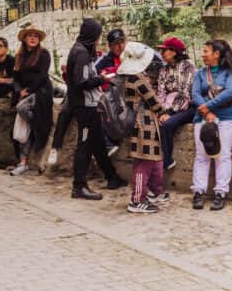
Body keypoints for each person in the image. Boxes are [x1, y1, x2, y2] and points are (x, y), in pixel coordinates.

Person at [66, 18, 124, 201]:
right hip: (84, 107)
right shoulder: (82, 53)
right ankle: (79, 186)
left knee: (98, 143)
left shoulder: (80, 49)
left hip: (89, 105)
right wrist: (102, 79)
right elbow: (82, 82)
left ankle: (111, 176)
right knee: (84, 145)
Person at [190, 39, 232, 211]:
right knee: (201, 154)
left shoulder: (231, 72)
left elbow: (231, 92)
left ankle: (220, 192)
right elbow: (195, 93)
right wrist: (206, 112)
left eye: (206, 51)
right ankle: (198, 191)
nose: (203, 54)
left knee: (223, 154)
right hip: (203, 116)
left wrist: (209, 106)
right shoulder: (199, 74)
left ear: (216, 54)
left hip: (227, 116)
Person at [119, 42, 168, 214]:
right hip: (144, 124)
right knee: (143, 162)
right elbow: (154, 101)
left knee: (144, 161)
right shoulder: (137, 78)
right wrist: (163, 111)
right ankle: (137, 199)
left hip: (135, 122)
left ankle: (143, 195)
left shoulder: (125, 77)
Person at [10, 27, 53, 176]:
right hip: (25, 93)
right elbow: (15, 78)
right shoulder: (19, 56)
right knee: (25, 125)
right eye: (30, 36)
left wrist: (28, 91)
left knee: (21, 108)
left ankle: (36, 124)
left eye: (36, 36)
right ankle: (23, 163)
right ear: (24, 39)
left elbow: (42, 76)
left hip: (41, 92)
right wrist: (19, 90)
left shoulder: (44, 54)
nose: (33, 38)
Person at [154, 37, 196, 171]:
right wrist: (161, 112)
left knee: (167, 124)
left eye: (164, 50)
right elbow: (160, 92)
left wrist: (170, 113)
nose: (161, 53)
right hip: (167, 107)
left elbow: (185, 93)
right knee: (156, 123)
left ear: (173, 52)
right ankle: (159, 161)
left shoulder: (188, 67)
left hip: (187, 107)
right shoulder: (163, 70)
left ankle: (166, 161)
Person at [95, 28, 127, 157]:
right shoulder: (103, 62)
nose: (120, 46)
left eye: (122, 42)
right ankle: (109, 143)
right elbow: (94, 79)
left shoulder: (133, 56)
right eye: (116, 44)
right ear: (110, 46)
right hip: (110, 96)